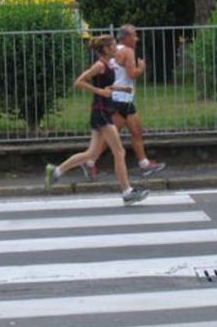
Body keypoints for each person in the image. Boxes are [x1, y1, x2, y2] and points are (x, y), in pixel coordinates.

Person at [44, 34, 149, 205]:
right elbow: (79, 82)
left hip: (103, 111)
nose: (116, 48)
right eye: (113, 46)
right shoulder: (99, 65)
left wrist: (121, 89)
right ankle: (127, 192)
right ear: (106, 49)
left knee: (92, 153)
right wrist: (100, 92)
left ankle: (56, 171)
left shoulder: (109, 64)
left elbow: (105, 85)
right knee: (119, 151)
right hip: (101, 112)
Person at [81, 24, 166, 181]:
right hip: (120, 100)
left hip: (120, 98)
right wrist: (141, 68)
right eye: (134, 35)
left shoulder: (114, 51)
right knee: (111, 138)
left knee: (136, 131)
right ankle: (89, 162)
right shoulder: (127, 51)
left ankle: (144, 163)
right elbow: (132, 74)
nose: (136, 39)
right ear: (126, 37)